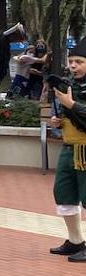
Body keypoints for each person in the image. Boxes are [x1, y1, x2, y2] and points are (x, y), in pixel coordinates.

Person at [47, 41, 86, 261]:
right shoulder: (68, 85)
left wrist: (71, 105)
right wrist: (58, 120)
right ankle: (75, 240)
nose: (73, 66)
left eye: (79, 62)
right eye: (71, 61)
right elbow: (68, 114)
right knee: (64, 193)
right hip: (69, 147)